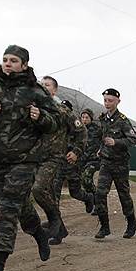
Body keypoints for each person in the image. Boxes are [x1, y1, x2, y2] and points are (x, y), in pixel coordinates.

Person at [0, 45, 59, 271]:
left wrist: (40, 117)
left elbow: (56, 122)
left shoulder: (35, 92)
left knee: (9, 206)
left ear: (24, 65)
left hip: (25, 159)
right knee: (17, 204)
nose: (8, 63)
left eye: (13, 60)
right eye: (5, 59)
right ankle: (39, 233)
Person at [34, 75, 89, 245]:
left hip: (56, 158)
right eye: (41, 84)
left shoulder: (62, 110)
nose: (44, 86)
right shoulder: (34, 110)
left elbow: (82, 131)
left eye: (48, 85)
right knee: (47, 194)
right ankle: (60, 228)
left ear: (55, 90)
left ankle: (55, 226)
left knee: (41, 190)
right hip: (37, 158)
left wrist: (76, 151)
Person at [94, 88, 136, 239]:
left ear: (118, 101)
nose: (107, 103)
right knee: (100, 193)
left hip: (120, 163)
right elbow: (102, 137)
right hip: (106, 163)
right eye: (105, 100)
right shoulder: (102, 118)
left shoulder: (123, 120)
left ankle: (132, 222)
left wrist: (116, 142)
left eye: (110, 100)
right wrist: (101, 149)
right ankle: (104, 226)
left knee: (123, 195)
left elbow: (133, 139)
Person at [51, 98, 94, 244]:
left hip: (71, 164)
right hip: (56, 165)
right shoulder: (53, 124)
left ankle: (88, 198)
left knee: (75, 192)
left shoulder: (75, 125)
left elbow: (83, 138)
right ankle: (59, 231)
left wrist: (76, 152)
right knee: (53, 199)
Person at [78, 108, 101, 205]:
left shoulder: (97, 130)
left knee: (86, 177)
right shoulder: (79, 130)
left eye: (87, 117)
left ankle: (97, 200)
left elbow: (105, 139)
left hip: (94, 160)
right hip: (83, 160)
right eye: (83, 117)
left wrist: (101, 150)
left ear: (91, 118)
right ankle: (92, 200)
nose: (84, 119)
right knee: (84, 182)